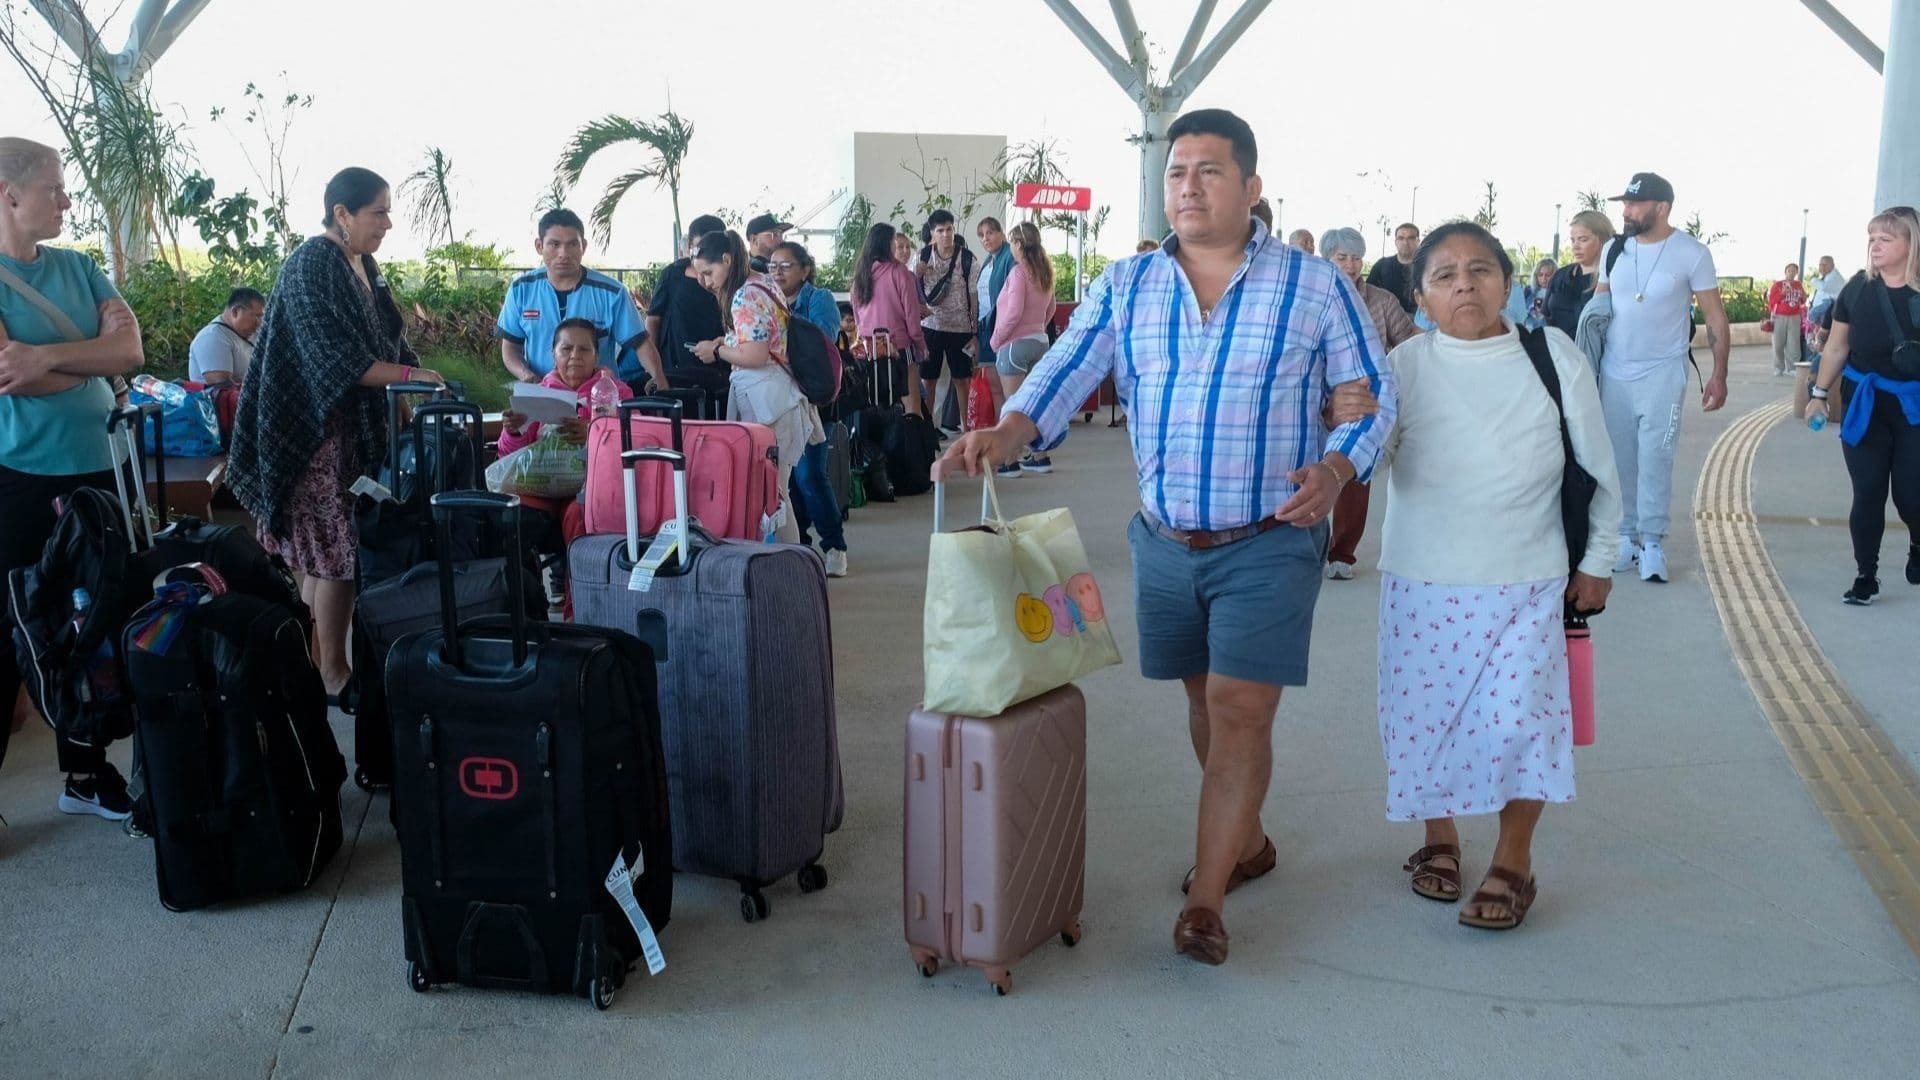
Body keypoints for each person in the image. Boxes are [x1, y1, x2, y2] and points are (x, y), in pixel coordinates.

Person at [944, 108, 1396, 967]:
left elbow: (1371, 392)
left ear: (1252, 188)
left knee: (1237, 708)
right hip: (1165, 541)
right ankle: (1248, 842)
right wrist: (1007, 431)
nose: (1188, 187)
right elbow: (1067, 367)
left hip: (1270, 536)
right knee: (1202, 702)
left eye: (1210, 172)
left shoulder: (1312, 285)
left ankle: (1206, 898)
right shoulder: (1130, 284)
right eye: (1177, 172)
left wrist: (1337, 470)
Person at [1373, 221, 1622, 930]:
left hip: (1528, 578)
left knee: (1521, 725)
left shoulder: (1551, 356)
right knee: (1425, 723)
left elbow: (1599, 466)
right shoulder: (1404, 367)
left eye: (1480, 271)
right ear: (1419, 293)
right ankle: (1439, 839)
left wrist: (1598, 560)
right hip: (1422, 580)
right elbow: (1369, 455)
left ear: (1508, 284)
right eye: (1444, 275)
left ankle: (1514, 862)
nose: (1464, 285)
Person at [227, 167, 446, 698]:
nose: (389, 223)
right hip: (310, 434)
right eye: (379, 211)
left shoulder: (363, 264)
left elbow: (389, 340)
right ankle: (331, 671)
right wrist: (411, 378)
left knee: (324, 554)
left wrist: (410, 378)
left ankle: (310, 662)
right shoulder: (311, 266)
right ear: (343, 214)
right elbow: (334, 360)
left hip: (351, 434)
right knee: (336, 557)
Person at [0, 137, 146, 815]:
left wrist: (50, 356)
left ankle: (85, 776)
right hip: (20, 478)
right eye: (55, 188)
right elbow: (8, 374)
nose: (66, 199)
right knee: (19, 623)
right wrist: (92, 355)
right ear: (11, 196)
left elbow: (131, 349)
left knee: (95, 620)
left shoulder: (81, 266)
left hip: (100, 469)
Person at [1594, 171, 1730, 584]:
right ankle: (1624, 536)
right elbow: (1597, 308)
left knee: (1656, 455)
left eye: (1634, 204)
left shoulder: (1691, 252)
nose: (1626, 210)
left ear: (1661, 208)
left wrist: (1719, 374)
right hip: (1614, 371)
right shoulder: (1612, 251)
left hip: (1663, 372)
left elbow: (1715, 317)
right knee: (1619, 460)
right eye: (1625, 203)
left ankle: (1652, 541)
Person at [689, 231, 841, 572]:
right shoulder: (763, 283)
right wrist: (726, 340)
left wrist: (716, 350)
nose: (704, 282)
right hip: (780, 398)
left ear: (726, 260)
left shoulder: (743, 297)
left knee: (774, 495)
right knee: (776, 492)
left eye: (708, 272)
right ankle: (794, 568)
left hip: (766, 402)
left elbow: (755, 355)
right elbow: (765, 339)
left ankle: (794, 572)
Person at [1801, 206, 1920, 605]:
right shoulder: (1857, 289)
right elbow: (1837, 347)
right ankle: (1865, 575)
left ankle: (1918, 543)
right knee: (1868, 491)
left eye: (1886, 239)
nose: (1875, 246)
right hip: (1865, 404)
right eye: (1872, 239)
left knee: (1911, 495)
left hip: (1914, 408)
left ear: (1911, 244)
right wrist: (1818, 397)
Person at [1320, 227, 1419, 580]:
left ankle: (1342, 553)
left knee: (1353, 474)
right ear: (1327, 259)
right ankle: (1304, 549)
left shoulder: (1381, 300)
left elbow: (1409, 339)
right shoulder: (1310, 297)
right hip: (1312, 398)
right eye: (1341, 257)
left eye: (1356, 258)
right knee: (1301, 475)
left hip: (1364, 400)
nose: (1350, 265)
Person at [496, 208, 663, 390]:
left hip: (598, 399)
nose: (564, 253)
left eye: (572, 244)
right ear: (539, 246)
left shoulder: (612, 293)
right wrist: (528, 377)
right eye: (554, 244)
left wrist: (658, 378)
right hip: (543, 395)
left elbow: (640, 343)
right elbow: (511, 348)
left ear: (583, 245)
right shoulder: (521, 289)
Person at [766, 239, 850, 572]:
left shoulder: (820, 299)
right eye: (773, 265)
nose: (778, 272)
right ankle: (801, 546)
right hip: (780, 401)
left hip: (815, 399)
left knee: (810, 475)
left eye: (786, 265)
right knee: (786, 481)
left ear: (805, 270)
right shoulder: (765, 300)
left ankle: (835, 546)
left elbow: (821, 342)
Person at [985, 222, 1057, 478]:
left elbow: (1013, 312)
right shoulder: (1045, 271)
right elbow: (1051, 309)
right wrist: (1037, 327)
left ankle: (1009, 461)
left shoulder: (1018, 273)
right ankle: (1040, 455)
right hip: (1040, 342)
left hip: (1015, 345)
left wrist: (996, 340)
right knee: (1034, 403)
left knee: (1013, 405)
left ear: (1018, 244)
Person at [646, 213, 729, 413]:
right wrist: (654, 370)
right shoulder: (672, 274)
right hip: (676, 373)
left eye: (712, 250)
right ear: (689, 247)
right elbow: (653, 321)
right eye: (699, 249)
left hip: (721, 372)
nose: (705, 257)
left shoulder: (734, 280)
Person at [852, 222, 928, 416]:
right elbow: (912, 317)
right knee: (911, 402)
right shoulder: (900, 273)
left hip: (869, 349)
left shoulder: (860, 276)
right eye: (896, 242)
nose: (899, 247)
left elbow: (857, 318)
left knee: (876, 403)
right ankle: (912, 444)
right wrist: (920, 344)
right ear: (888, 244)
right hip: (899, 346)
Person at [917, 210, 980, 435]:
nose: (945, 235)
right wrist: (918, 274)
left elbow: (974, 295)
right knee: (928, 381)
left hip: (960, 329)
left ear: (954, 230)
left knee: (962, 381)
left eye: (949, 229)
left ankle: (967, 430)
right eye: (940, 231)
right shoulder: (922, 256)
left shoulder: (967, 258)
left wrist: (975, 331)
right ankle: (927, 431)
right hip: (930, 327)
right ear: (933, 233)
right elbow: (910, 291)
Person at [1546, 210, 1614, 338]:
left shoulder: (1613, 279)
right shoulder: (1560, 275)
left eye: (1583, 240)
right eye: (1573, 240)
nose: (1575, 246)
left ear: (1602, 241)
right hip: (1557, 352)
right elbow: (1546, 316)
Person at [187, 287, 264, 385]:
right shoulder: (213, 337)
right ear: (235, 312)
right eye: (256, 317)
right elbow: (223, 388)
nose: (259, 323)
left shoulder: (251, 332)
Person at [974, 217, 1014, 389]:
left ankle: (1005, 417)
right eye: (982, 235)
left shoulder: (1010, 256)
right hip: (985, 327)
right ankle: (999, 417)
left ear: (1001, 233)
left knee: (1003, 385)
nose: (985, 239)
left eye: (990, 233)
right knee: (993, 385)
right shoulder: (989, 259)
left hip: (1001, 327)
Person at [1367, 222, 1421, 314]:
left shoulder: (1427, 266)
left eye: (1410, 238)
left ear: (1418, 241)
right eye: (1401, 238)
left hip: (1419, 322)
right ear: (1395, 242)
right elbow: (1367, 293)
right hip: (1388, 320)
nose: (1405, 242)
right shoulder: (1381, 266)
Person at [1766, 263, 1808, 376]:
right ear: (1785, 272)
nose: (1791, 272)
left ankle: (1792, 368)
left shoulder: (1798, 284)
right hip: (1779, 316)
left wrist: (1804, 297)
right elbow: (1771, 301)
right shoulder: (1778, 285)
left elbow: (1802, 299)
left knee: (1793, 343)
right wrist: (1782, 294)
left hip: (1795, 316)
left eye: (1794, 270)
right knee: (1778, 342)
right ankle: (1778, 367)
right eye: (1789, 270)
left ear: (1796, 273)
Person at [1810, 254, 1847, 325]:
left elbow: (1824, 287)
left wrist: (1813, 279)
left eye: (1825, 264)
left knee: (1822, 335)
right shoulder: (1828, 276)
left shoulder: (1835, 277)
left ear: (1832, 265)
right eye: (1820, 264)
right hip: (1822, 314)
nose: (1822, 267)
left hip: (1828, 314)